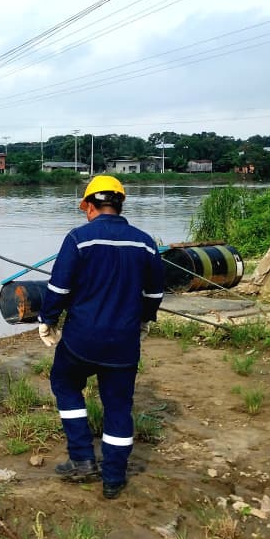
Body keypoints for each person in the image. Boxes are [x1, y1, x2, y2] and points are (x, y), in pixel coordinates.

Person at [36, 176, 164, 499]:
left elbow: (58, 288)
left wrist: (47, 320)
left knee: (65, 384)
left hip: (82, 340)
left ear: (90, 206)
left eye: (85, 208)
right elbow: (155, 292)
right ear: (120, 204)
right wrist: (145, 319)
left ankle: (81, 459)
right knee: (118, 406)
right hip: (123, 343)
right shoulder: (146, 243)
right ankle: (113, 479)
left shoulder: (79, 239)